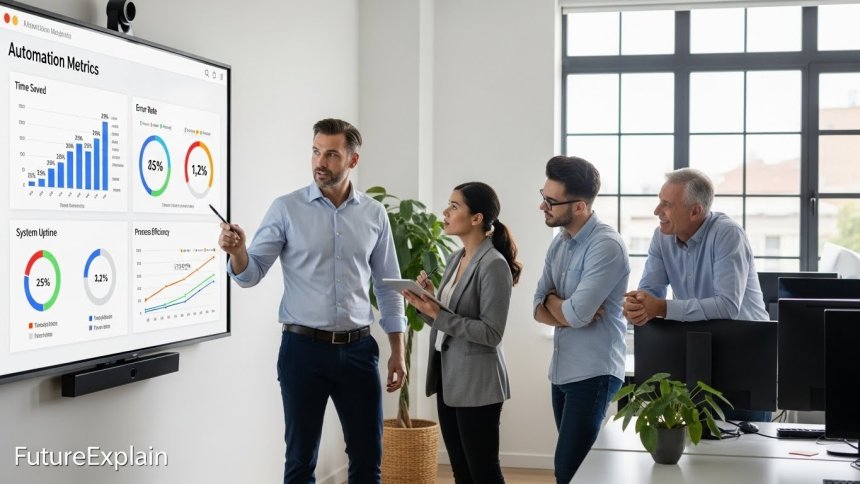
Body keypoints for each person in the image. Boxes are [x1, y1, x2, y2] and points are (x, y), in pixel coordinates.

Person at [217, 118, 406, 484]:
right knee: (300, 462)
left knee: (368, 461)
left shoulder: (373, 214)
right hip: (302, 351)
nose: (320, 161)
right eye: (316, 151)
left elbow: (387, 286)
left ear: (352, 160)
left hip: (359, 351)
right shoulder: (286, 209)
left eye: (332, 154)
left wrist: (397, 350)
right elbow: (250, 273)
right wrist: (238, 251)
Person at [622, 167, 770, 422]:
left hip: (746, 355)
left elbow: (726, 306)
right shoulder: (662, 237)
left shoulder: (727, 234)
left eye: (666, 204)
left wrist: (661, 308)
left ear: (695, 211)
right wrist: (638, 305)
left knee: (747, 449)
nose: (657, 211)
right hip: (697, 354)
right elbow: (651, 292)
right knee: (697, 448)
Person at [402, 181, 521, 484]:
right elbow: (449, 322)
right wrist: (427, 301)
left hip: (478, 384)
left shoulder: (493, 264)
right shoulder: (457, 258)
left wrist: (439, 313)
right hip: (449, 379)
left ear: (477, 218)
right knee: (461, 472)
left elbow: (492, 333)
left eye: (454, 206)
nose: (445, 211)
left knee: (483, 472)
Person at [532, 156, 629, 483]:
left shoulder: (606, 245)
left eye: (551, 201)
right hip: (562, 372)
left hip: (594, 373)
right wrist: (561, 306)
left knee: (568, 470)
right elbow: (537, 307)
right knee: (577, 472)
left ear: (580, 207)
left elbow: (576, 313)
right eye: (543, 196)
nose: (542, 206)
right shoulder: (559, 244)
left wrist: (556, 304)